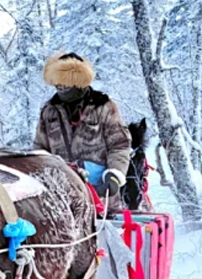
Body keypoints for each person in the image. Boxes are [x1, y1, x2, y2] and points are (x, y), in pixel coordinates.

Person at [34, 52, 131, 213]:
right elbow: (40, 150)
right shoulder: (48, 111)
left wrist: (114, 175)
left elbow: (120, 145)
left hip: (101, 196)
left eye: (65, 83)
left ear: (78, 81)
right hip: (61, 199)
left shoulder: (103, 106)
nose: (61, 88)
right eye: (58, 84)